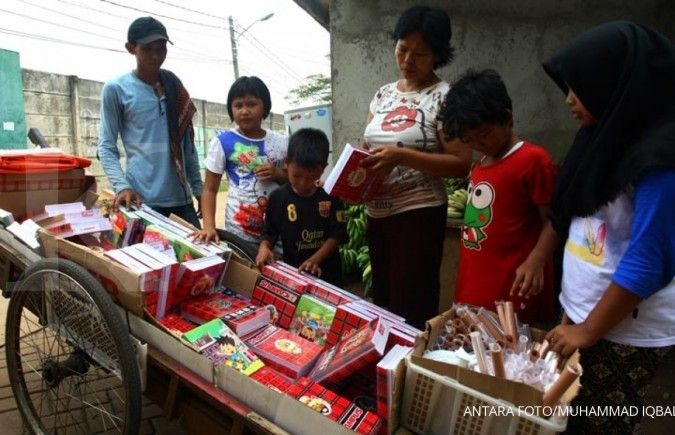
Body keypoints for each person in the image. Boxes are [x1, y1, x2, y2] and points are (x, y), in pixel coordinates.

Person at [539, 21, 675, 433]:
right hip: (583, 315)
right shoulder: (602, 136)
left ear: (618, 84)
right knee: (566, 420)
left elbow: (651, 258)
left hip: (622, 333)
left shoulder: (660, 157)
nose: (569, 100)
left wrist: (587, 331)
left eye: (580, 87)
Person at [360, 6, 471, 328]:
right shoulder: (383, 94)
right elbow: (367, 146)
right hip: (377, 214)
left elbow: (461, 163)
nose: (408, 60)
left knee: (410, 306)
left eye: (420, 54)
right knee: (382, 303)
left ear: (438, 55)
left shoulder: (444, 97)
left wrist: (402, 156)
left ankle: (408, 371)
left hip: (417, 215)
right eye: (402, 49)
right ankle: (386, 374)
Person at [438, 69, 557, 324]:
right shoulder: (480, 164)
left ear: (508, 118)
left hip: (514, 296)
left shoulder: (533, 160)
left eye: (484, 134)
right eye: (469, 139)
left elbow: (555, 221)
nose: (479, 144)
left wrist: (536, 260)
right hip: (472, 295)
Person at [98, 16, 203, 228]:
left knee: (200, 259)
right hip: (141, 200)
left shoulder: (174, 85)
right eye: (148, 48)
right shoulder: (116, 90)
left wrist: (198, 188)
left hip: (181, 200)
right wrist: (122, 187)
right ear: (131, 48)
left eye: (161, 47)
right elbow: (106, 147)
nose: (156, 55)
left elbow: (187, 146)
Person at [194, 76, 287, 248]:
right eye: (238, 105)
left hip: (278, 233)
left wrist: (277, 174)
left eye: (251, 104)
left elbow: (295, 181)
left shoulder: (282, 142)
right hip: (239, 233)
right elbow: (209, 189)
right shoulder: (223, 142)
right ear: (231, 109)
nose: (244, 111)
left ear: (265, 106)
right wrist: (209, 227)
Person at [255, 128, 347, 287]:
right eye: (296, 175)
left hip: (329, 278)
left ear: (323, 168)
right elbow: (269, 232)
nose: (303, 183)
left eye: (311, 177)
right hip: (295, 275)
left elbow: (338, 235)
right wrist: (264, 248)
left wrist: (314, 260)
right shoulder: (278, 198)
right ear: (287, 162)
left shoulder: (330, 196)